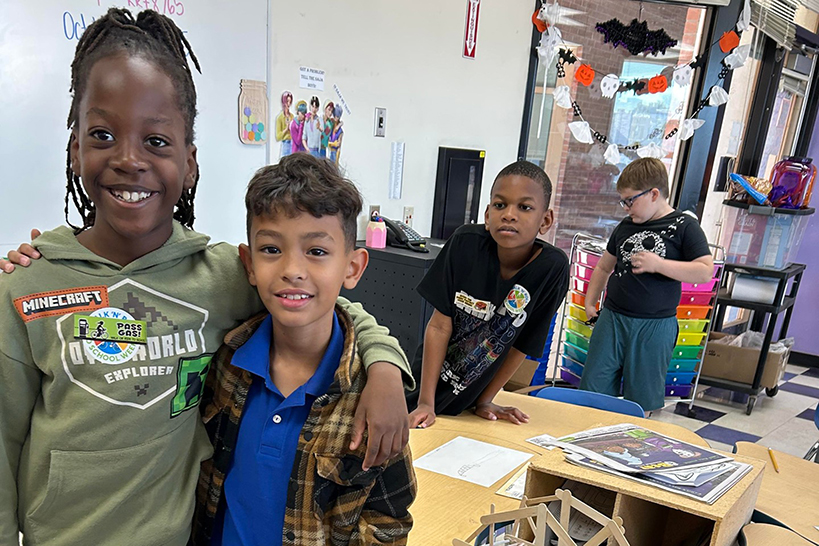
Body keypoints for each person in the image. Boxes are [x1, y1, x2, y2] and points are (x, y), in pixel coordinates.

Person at [0, 9, 411, 546]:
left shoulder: (222, 275)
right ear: (75, 147)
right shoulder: (27, 286)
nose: (128, 160)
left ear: (190, 163)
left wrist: (383, 367)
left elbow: (317, 298)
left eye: (156, 142)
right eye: (102, 134)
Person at [192, 154, 416, 545]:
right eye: (271, 249)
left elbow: (387, 521)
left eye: (316, 252)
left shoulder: (373, 399)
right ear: (248, 263)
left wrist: (384, 368)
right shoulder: (225, 363)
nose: (292, 269)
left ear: (353, 267)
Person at [406, 161, 569, 428]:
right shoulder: (464, 244)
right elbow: (438, 326)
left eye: (525, 207)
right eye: (500, 205)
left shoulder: (552, 269)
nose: (509, 215)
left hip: (472, 404)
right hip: (420, 391)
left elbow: (523, 345)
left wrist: (486, 399)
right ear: (487, 214)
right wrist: (426, 402)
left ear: (546, 220)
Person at [579, 158, 713, 415]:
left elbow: (705, 271)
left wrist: (659, 264)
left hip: (655, 325)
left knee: (641, 400)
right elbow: (604, 267)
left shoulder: (684, 226)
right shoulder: (625, 227)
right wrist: (589, 302)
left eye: (630, 200)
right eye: (623, 201)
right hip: (613, 318)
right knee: (592, 389)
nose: (626, 208)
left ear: (654, 194)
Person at [275, 91, 294, 158]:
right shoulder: (280, 117)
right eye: (287, 101)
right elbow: (278, 137)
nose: (288, 104)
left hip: (293, 143)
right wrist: (286, 129)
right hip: (285, 143)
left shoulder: (292, 116)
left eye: (290, 102)